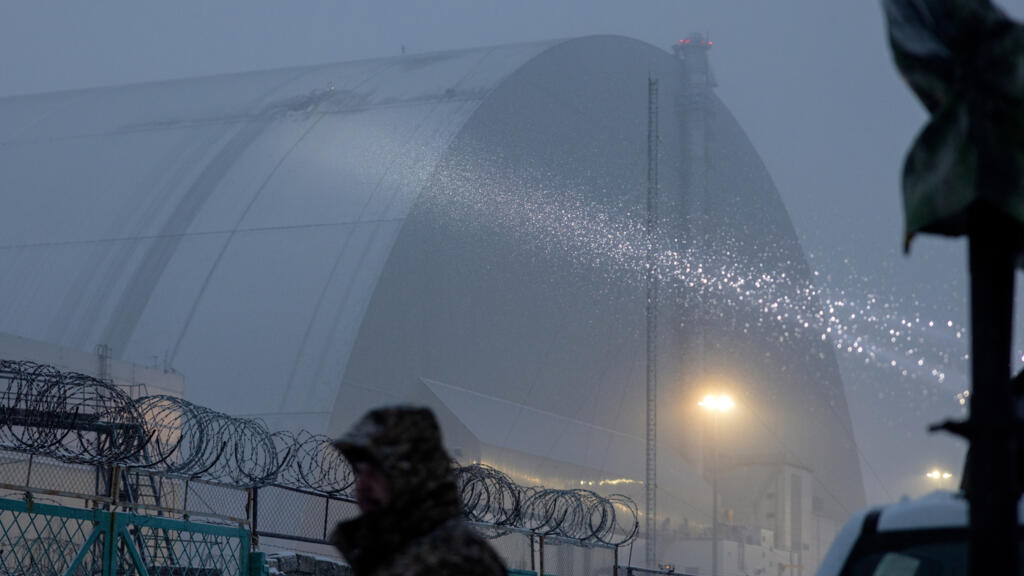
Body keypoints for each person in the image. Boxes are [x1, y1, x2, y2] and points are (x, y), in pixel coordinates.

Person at [330, 406, 507, 576]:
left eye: (376, 473)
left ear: (411, 476)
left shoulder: (457, 561)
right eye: (360, 472)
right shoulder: (387, 550)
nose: (362, 487)